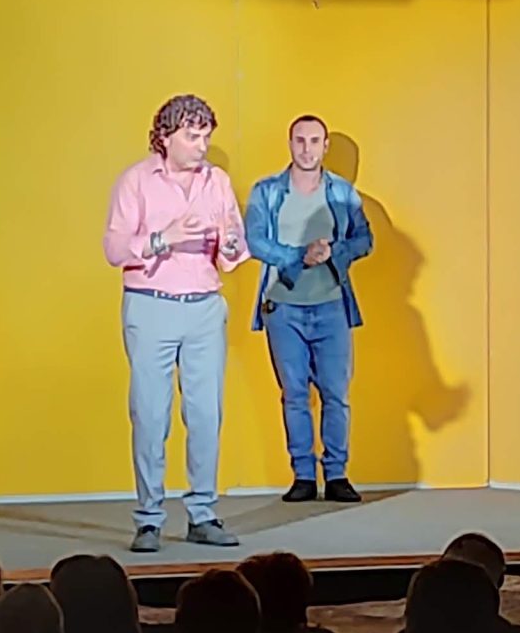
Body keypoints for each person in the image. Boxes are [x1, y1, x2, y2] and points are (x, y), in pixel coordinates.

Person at [103, 94, 249, 552]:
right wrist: (164, 238)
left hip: (204, 307)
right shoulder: (136, 181)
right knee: (150, 415)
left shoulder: (218, 181)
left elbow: (234, 249)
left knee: (206, 414)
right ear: (165, 137)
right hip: (151, 305)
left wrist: (230, 245)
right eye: (192, 136)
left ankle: (203, 514)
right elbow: (114, 249)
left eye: (206, 136)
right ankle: (149, 519)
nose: (202, 145)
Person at [244, 115, 372, 503]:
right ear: (290, 144)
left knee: (336, 394)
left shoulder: (342, 192)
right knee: (294, 394)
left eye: (314, 141)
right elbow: (255, 241)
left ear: (325, 146)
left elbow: (365, 239)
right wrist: (300, 255)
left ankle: (336, 475)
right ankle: (302, 475)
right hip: (283, 307)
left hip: (331, 305)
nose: (307, 148)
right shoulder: (267, 191)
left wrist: (334, 251)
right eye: (300, 140)